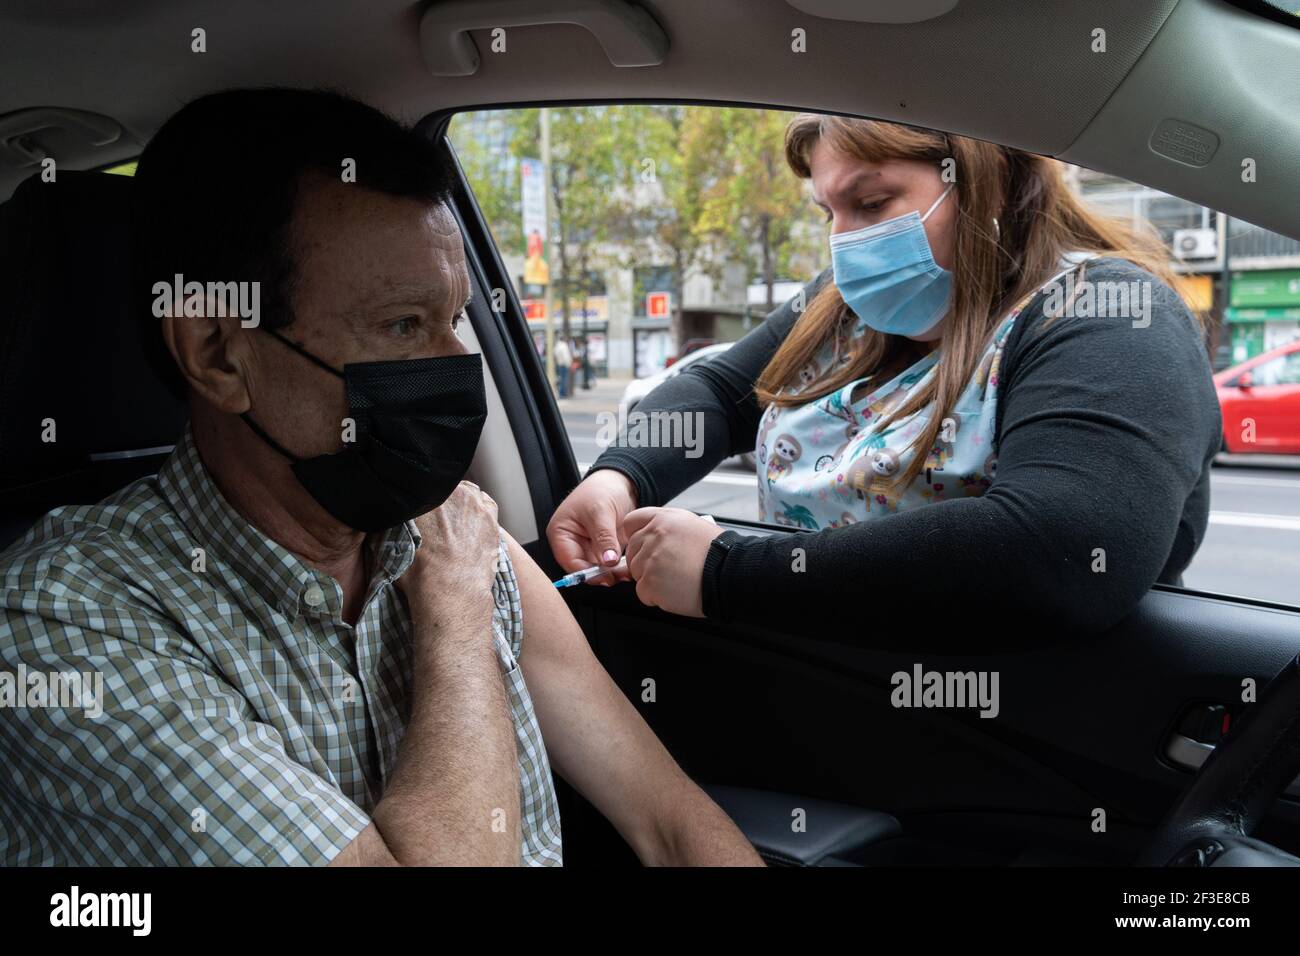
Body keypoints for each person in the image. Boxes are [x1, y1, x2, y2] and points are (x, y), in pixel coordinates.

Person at [0, 89, 760, 867]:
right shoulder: (67, 624)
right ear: (219, 355)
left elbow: (668, 820)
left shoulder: (459, 535)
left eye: (455, 318)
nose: (462, 364)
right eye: (403, 325)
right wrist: (456, 609)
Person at [548, 114, 1221, 640]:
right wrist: (621, 474)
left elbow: (1060, 553)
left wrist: (727, 574)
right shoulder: (841, 311)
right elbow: (722, 395)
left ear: (989, 179)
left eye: (870, 204)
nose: (844, 243)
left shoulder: (1106, 314)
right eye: (829, 213)